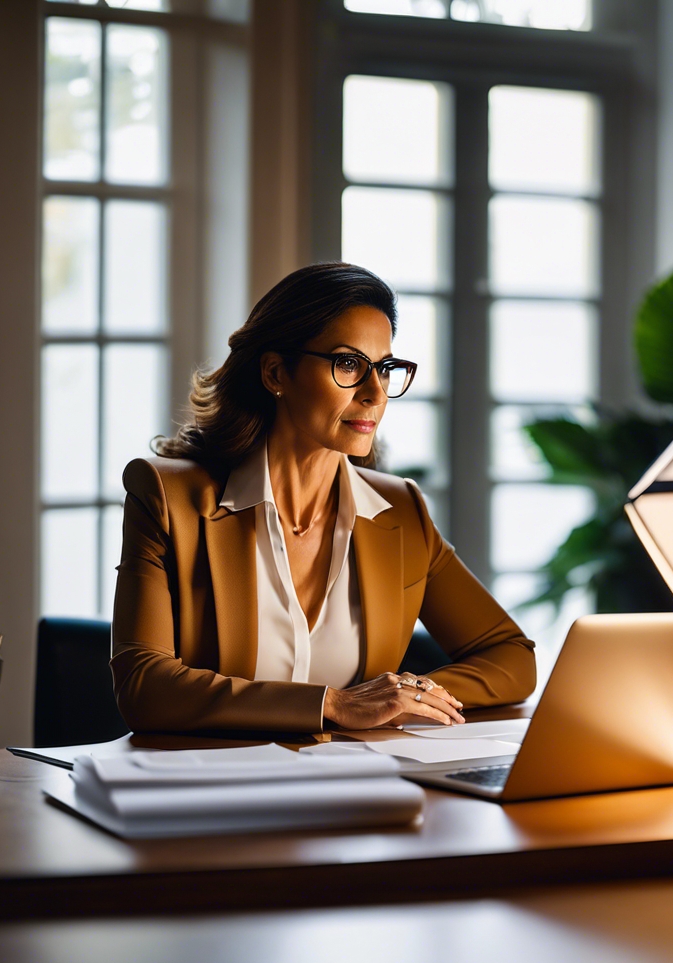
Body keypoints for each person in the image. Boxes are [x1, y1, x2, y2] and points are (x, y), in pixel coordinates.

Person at [111, 262, 535, 734]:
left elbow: (512, 657)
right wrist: (332, 705)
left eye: (386, 368)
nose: (375, 393)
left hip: (357, 792)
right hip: (214, 791)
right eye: (348, 364)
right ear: (276, 372)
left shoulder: (401, 511)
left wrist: (408, 694)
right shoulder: (169, 498)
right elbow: (144, 686)